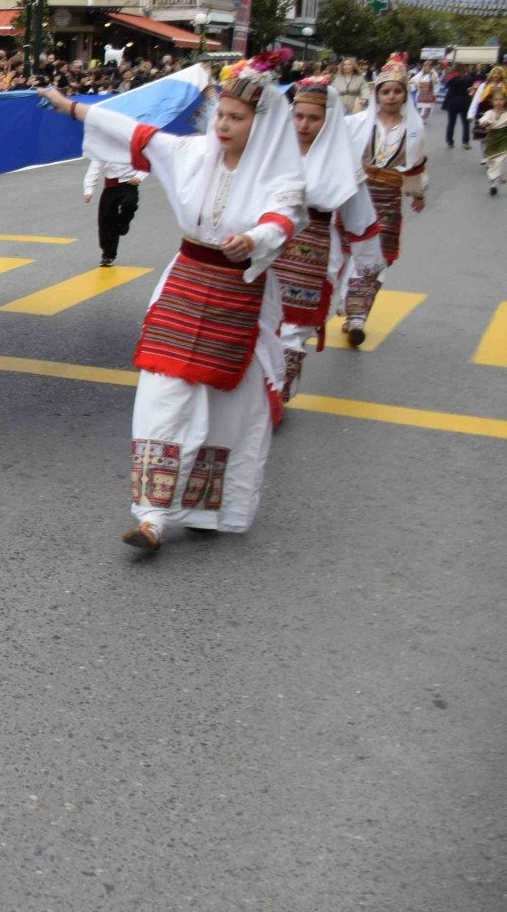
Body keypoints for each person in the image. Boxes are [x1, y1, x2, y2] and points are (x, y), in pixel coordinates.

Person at [43, 67, 305, 552]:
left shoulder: (280, 175)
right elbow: (138, 133)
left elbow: (283, 218)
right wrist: (71, 106)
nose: (223, 125)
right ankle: (151, 518)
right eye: (221, 114)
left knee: (229, 410)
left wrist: (253, 238)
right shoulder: (192, 153)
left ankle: (207, 508)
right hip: (184, 287)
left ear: (261, 124)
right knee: (161, 396)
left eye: (237, 117)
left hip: (239, 297)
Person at [272, 78, 379, 402]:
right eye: (298, 116)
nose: (303, 124)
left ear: (329, 119)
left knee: (292, 330)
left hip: (315, 253)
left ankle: (279, 394)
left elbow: (361, 220)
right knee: (263, 323)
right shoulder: (275, 152)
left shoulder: (343, 166)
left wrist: (369, 267)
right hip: (270, 245)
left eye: (313, 118)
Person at [339, 61, 427, 347]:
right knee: (347, 253)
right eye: (385, 91)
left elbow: (416, 164)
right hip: (357, 195)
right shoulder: (358, 123)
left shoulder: (413, 128)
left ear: (404, 95)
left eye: (397, 91)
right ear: (377, 94)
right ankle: (348, 305)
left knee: (376, 258)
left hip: (388, 198)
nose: (391, 96)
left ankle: (357, 317)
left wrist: (417, 194)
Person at [83, 144, 146, 268]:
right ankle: (108, 254)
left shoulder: (133, 145)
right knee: (106, 220)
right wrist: (88, 190)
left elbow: (146, 163)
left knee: (130, 203)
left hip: (129, 184)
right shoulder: (102, 149)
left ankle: (124, 222)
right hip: (111, 187)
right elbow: (94, 170)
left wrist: (139, 177)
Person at [441, 63, 479, 150]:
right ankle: (465, 142)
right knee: (465, 123)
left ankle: (450, 141)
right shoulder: (468, 78)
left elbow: (446, 85)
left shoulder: (450, 78)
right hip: (464, 102)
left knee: (451, 123)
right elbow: (472, 87)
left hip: (452, 102)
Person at [477, 85, 507, 195]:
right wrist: (484, 123)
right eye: (496, 100)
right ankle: (497, 178)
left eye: (501, 100)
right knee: (491, 162)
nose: (499, 102)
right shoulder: (490, 113)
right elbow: (484, 120)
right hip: (492, 140)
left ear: (505, 101)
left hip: (503, 140)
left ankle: (493, 184)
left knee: (498, 161)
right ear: (492, 101)